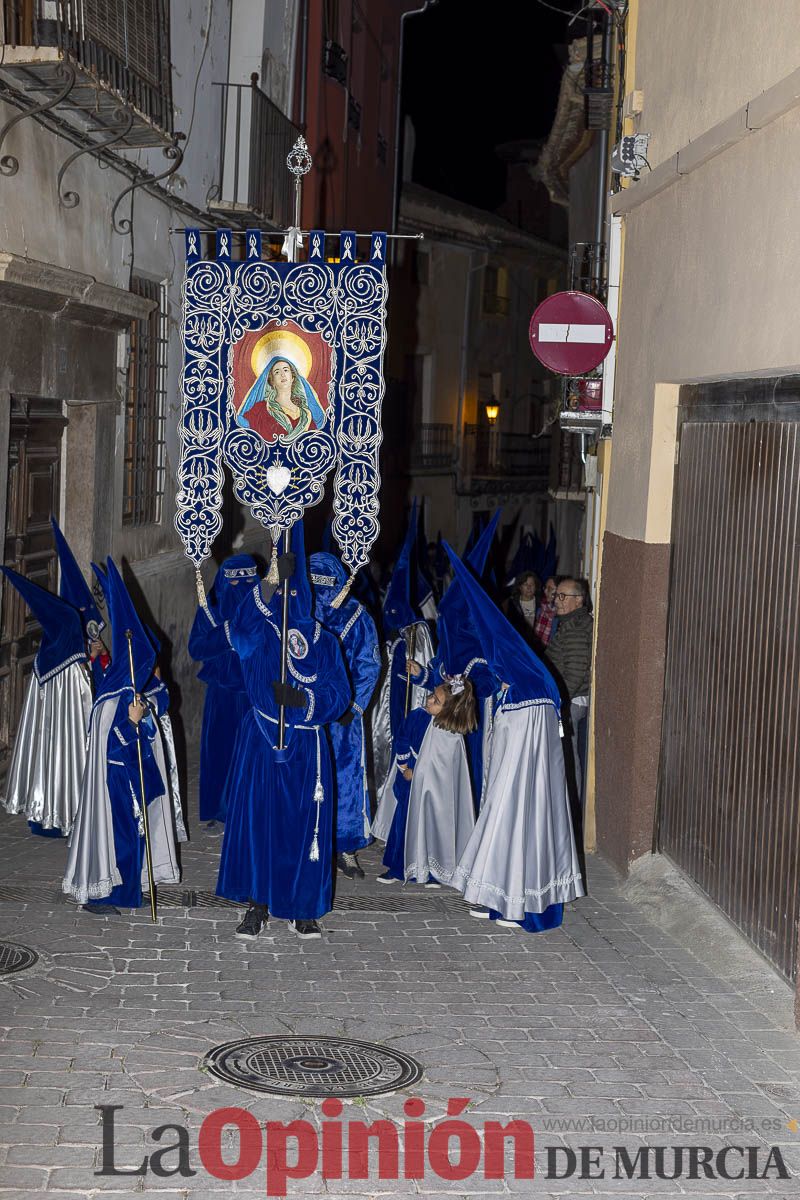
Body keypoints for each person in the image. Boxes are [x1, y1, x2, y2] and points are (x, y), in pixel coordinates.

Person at [216, 520, 350, 941]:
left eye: (297, 588)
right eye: (285, 588)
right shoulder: (260, 632)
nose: (292, 595)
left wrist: (303, 703)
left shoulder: (324, 640)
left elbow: (339, 693)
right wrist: (270, 581)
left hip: (306, 745)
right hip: (263, 739)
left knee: (303, 825)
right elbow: (238, 631)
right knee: (263, 823)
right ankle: (258, 903)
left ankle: (302, 906)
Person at [445, 543, 584, 932]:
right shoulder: (517, 679)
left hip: (526, 779)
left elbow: (529, 741)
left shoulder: (531, 687)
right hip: (510, 772)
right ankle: (498, 894)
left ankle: (525, 903)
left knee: (522, 823)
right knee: (502, 820)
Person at [63, 559, 186, 910]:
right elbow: (107, 740)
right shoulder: (113, 695)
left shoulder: (137, 686)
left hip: (140, 771)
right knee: (122, 838)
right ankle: (109, 893)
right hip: (117, 778)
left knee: (139, 834)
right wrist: (131, 722)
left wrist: (146, 707)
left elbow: (160, 697)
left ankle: (135, 885)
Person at [406, 509, 503, 811]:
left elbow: (489, 682)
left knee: (469, 780)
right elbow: (439, 675)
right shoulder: (449, 646)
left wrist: (463, 684)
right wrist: (423, 674)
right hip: (443, 726)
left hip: (470, 725)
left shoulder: (482, 646)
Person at [0, 566, 92, 837]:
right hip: (69, 732)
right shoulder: (74, 666)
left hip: (49, 731)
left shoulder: (44, 658)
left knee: (47, 755)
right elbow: (84, 706)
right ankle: (69, 812)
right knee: (68, 755)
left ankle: (44, 814)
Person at [310, 551, 381, 880]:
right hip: (305, 710)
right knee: (307, 775)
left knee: (346, 778)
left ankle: (346, 846)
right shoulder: (295, 610)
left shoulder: (357, 616)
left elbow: (369, 665)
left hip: (343, 716)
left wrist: (352, 708)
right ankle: (307, 841)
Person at [377, 679, 476, 888]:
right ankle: (397, 866)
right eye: (432, 695)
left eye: (436, 700)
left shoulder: (452, 734)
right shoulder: (418, 716)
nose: (429, 699)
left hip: (436, 790)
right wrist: (404, 767)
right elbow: (402, 740)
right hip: (411, 780)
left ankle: (432, 869)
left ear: (448, 710)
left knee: (434, 825)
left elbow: (451, 766)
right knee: (404, 822)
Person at [370, 499, 435, 798]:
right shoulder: (389, 633)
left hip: (409, 699)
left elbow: (424, 667)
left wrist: (419, 675)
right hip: (390, 701)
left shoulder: (417, 633)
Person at [188, 555, 258, 825]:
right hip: (221, 694)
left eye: (249, 581)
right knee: (220, 749)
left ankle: (247, 806)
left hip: (254, 692)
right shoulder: (210, 610)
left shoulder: (261, 609)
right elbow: (196, 648)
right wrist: (225, 635)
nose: (242, 587)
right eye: (236, 580)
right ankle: (218, 807)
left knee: (250, 752)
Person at [545, 578, 593, 802]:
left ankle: (571, 804)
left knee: (566, 754)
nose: (557, 601)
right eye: (557, 596)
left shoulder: (576, 628)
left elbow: (574, 672)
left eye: (563, 596)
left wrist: (561, 702)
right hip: (568, 702)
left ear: (579, 600)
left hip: (570, 704)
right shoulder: (571, 623)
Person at [237, 356, 327, 443]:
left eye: (286, 370)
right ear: (272, 382)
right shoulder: (260, 409)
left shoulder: (306, 414)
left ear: (292, 378)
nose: (282, 374)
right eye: (277, 372)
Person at [534, 576, 558, 648]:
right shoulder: (541, 609)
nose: (545, 591)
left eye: (550, 589)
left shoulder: (561, 615)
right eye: (545, 587)